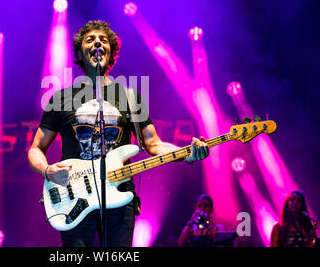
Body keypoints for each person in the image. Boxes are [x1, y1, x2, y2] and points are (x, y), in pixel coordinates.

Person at [28, 20, 209, 247]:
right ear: (80, 52)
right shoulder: (61, 99)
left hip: (120, 196)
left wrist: (186, 153)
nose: (97, 44)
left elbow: (153, 143)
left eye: (103, 40)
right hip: (73, 197)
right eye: (90, 40)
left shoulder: (130, 97)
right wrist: (47, 170)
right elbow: (36, 148)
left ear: (111, 51)